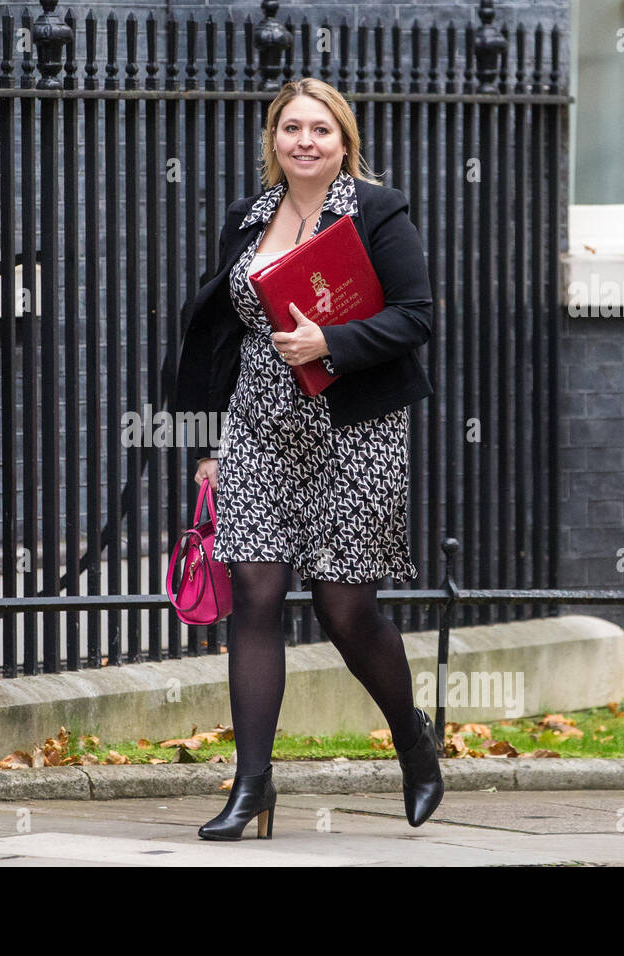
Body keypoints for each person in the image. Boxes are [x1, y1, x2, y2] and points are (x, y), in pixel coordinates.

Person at [171, 78, 444, 840]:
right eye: (291, 128)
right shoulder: (249, 216)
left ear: (343, 140)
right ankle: (252, 786)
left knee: (343, 608)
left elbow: (415, 316)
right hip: (261, 426)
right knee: (254, 594)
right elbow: (222, 333)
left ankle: (413, 740)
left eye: (320, 129)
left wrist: (332, 343)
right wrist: (208, 443)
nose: (305, 141)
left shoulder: (378, 211)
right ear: (274, 141)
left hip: (354, 426)